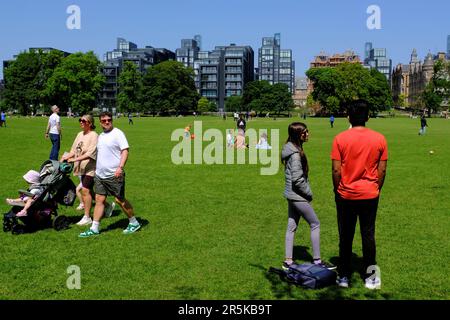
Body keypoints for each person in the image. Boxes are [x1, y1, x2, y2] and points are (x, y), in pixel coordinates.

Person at [331, 100, 388, 290]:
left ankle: (344, 276)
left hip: (346, 194)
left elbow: (336, 170)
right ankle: (371, 277)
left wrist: (337, 189)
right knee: (368, 234)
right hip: (370, 194)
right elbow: (382, 170)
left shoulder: (340, 138)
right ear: (368, 117)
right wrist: (375, 188)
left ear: (348, 116)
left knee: (345, 235)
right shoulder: (380, 138)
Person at [281, 122, 335, 271]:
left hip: (291, 195)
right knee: (315, 223)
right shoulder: (296, 155)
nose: (308, 134)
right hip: (298, 196)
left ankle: (288, 261)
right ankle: (317, 261)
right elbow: (297, 179)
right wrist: (309, 193)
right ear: (299, 135)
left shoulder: (291, 149)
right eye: (306, 132)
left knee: (291, 227)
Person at [79, 112, 141, 237]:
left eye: (109, 120)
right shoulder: (101, 136)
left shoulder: (118, 133)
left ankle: (134, 222)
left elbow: (125, 151)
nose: (107, 122)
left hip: (114, 174)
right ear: (100, 122)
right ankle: (94, 228)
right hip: (100, 175)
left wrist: (120, 167)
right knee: (99, 200)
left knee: (119, 200)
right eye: (104, 120)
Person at [61, 115, 115, 226]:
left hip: (91, 168)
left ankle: (87, 217)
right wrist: (65, 157)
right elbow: (73, 150)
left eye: (83, 121)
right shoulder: (79, 134)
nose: (81, 122)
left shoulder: (94, 135)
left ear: (90, 123)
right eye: (80, 120)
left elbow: (90, 154)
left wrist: (74, 159)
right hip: (80, 167)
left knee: (85, 190)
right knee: (90, 191)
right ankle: (107, 205)